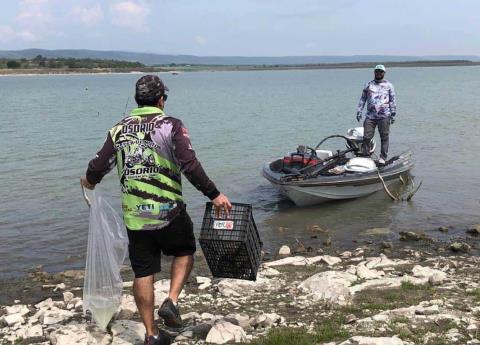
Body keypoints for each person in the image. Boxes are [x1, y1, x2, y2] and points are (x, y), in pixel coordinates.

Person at [81, 75, 232, 345]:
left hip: (136, 217)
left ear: (138, 100)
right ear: (161, 100)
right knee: (185, 251)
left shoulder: (118, 129)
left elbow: (97, 167)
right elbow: (190, 165)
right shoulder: (171, 125)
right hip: (169, 211)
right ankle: (171, 300)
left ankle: (151, 334)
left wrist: (89, 183)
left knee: (143, 273)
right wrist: (214, 194)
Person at [356, 64, 397, 164]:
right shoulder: (368, 85)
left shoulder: (389, 85)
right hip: (370, 116)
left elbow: (392, 100)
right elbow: (363, 98)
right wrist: (359, 110)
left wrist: (393, 113)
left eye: (381, 71)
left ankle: (383, 158)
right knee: (366, 137)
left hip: (384, 116)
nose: (379, 73)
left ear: (384, 73)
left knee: (384, 137)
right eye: (377, 71)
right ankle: (366, 157)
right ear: (374, 72)